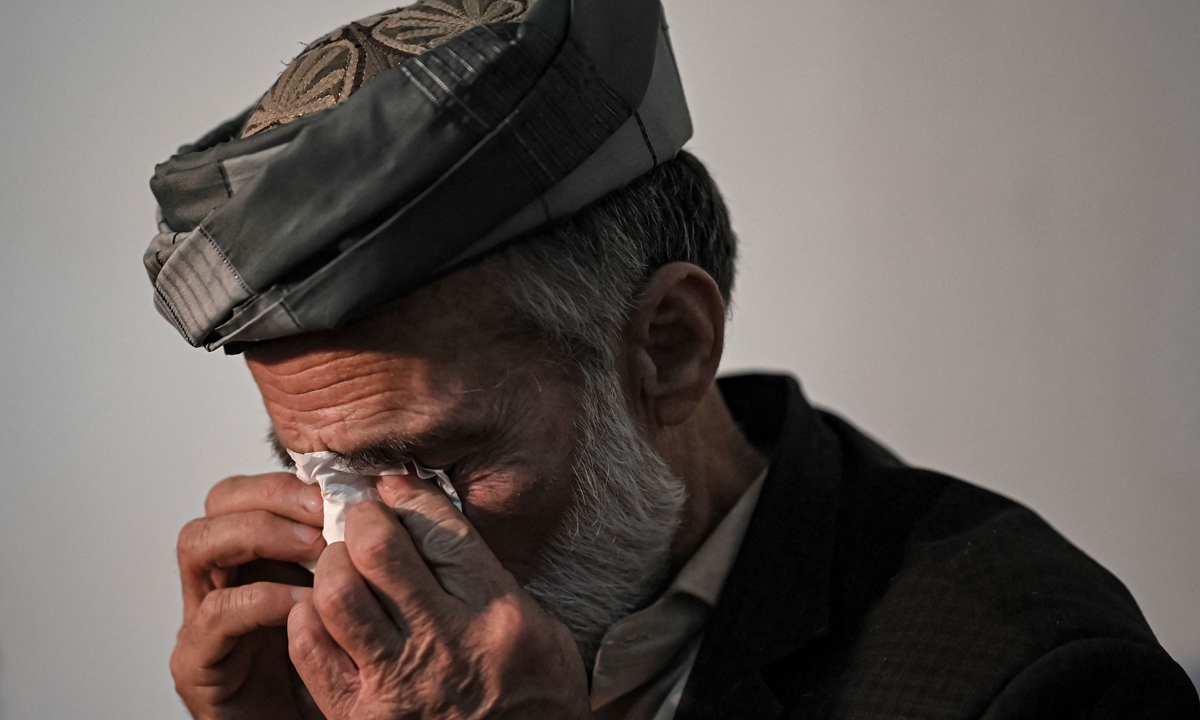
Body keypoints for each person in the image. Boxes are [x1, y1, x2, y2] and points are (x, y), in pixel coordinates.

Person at [146, 1, 1200, 718]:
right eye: (321, 471)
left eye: (433, 467)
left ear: (668, 348)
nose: (363, 547)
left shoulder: (1031, 679)